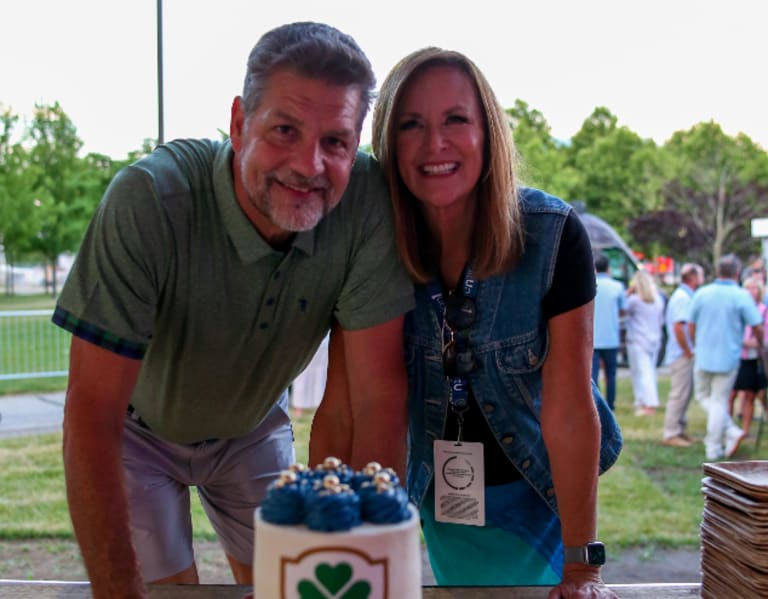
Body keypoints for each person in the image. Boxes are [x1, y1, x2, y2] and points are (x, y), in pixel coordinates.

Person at [51, 22, 414, 598]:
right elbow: (92, 410)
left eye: (336, 142)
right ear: (240, 123)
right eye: (285, 130)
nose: (308, 165)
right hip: (134, 429)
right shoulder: (150, 200)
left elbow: (374, 400)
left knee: (292, 586)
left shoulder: (367, 203)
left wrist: (362, 565)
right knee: (163, 592)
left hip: (251, 426)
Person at [370, 47, 622, 597]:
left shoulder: (551, 234)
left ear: (488, 131)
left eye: (455, 119)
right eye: (411, 124)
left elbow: (572, 409)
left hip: (539, 488)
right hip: (443, 493)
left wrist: (584, 568)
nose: (435, 144)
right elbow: (366, 401)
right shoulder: (373, 243)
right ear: (388, 142)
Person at [689, 254, 763, 460]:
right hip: (728, 356)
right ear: (737, 273)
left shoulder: (703, 293)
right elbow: (756, 325)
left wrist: (696, 342)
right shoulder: (740, 296)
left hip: (704, 354)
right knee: (718, 401)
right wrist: (760, 345)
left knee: (706, 397)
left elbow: (691, 323)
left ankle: (714, 445)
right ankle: (727, 434)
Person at [661, 263, 705, 447]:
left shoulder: (686, 296)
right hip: (681, 354)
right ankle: (671, 433)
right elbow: (679, 326)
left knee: (685, 393)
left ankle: (680, 429)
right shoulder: (682, 298)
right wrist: (687, 350)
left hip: (683, 352)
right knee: (679, 393)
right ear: (693, 277)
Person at [729, 275, 768, 437]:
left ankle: (745, 430)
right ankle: (728, 429)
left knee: (752, 394)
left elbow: (763, 335)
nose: (751, 291)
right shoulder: (737, 309)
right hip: (735, 357)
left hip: (753, 358)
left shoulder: (763, 311)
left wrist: (752, 342)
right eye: (748, 288)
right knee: (731, 394)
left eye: (754, 288)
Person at [624, 270, 666, 416]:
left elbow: (623, 311)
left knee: (642, 372)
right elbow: (661, 321)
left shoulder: (634, 300)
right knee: (649, 371)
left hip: (637, 340)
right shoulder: (658, 300)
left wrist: (627, 293)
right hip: (654, 339)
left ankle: (649, 403)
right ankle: (643, 400)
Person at [591, 252, 627, 410]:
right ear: (608, 268)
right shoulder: (617, 287)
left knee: (593, 375)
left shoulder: (589, 285)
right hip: (611, 337)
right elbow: (622, 311)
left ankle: (596, 405)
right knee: (611, 375)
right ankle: (610, 404)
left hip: (592, 338)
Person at [290, 333, 329, 416]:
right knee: (302, 373)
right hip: (305, 339)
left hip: (323, 342)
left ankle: (319, 405)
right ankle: (298, 407)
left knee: (320, 375)